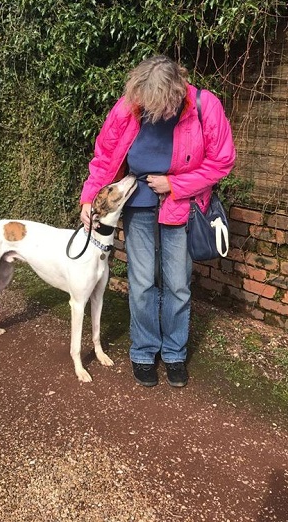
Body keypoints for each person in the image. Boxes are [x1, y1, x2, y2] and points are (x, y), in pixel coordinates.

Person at [80, 55, 235, 387]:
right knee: (142, 281)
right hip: (137, 205)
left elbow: (222, 161)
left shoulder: (204, 106)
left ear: (177, 92)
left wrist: (175, 184)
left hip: (181, 205)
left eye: (158, 107)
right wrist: (89, 197)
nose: (150, 112)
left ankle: (175, 352)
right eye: (144, 104)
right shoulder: (130, 105)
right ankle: (144, 351)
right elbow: (105, 156)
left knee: (177, 283)